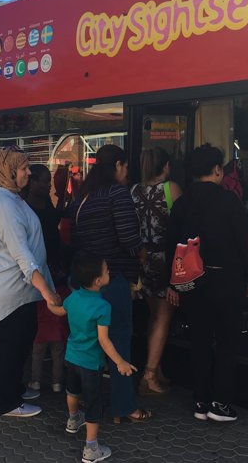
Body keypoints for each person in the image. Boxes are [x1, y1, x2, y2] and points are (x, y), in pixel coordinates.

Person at [167, 144, 248, 422]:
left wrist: (172, 284)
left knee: (200, 341)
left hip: (192, 283)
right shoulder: (229, 201)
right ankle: (220, 404)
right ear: (217, 170)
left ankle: (200, 401)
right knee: (227, 342)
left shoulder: (181, 203)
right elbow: (245, 243)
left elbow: (172, 246)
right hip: (226, 281)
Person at [72, 144, 151, 424]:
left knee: (90, 345)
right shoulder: (117, 194)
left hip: (88, 283)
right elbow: (129, 239)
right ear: (118, 165)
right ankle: (124, 407)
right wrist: (143, 254)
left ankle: (87, 402)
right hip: (112, 279)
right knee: (118, 343)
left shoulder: (84, 196)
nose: (127, 172)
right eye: (126, 166)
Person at [0, 146, 61, 417]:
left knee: (20, 342)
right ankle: (8, 402)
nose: (28, 172)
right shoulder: (5, 204)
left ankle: (13, 388)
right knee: (12, 347)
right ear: (9, 171)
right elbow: (22, 254)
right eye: (24, 168)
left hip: (21, 290)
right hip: (11, 289)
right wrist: (48, 292)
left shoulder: (12, 198)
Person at [47, 252, 137, 463]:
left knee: (72, 391)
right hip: (91, 363)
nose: (109, 273)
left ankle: (72, 420)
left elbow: (59, 311)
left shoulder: (74, 297)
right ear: (98, 281)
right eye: (107, 271)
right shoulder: (103, 306)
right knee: (93, 404)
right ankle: (91, 449)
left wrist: (50, 302)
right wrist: (120, 362)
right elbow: (104, 341)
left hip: (72, 357)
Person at [130, 147, 181, 395]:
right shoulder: (171, 189)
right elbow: (181, 224)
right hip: (165, 258)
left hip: (144, 259)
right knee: (164, 317)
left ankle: (156, 366)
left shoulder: (134, 191)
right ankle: (149, 375)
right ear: (167, 166)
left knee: (153, 315)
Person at [23, 164, 70, 395]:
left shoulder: (44, 203)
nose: (48, 185)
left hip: (52, 265)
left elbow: (53, 222)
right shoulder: (23, 207)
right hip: (36, 270)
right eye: (45, 182)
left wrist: (62, 198)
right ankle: (38, 374)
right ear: (32, 182)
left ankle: (46, 374)